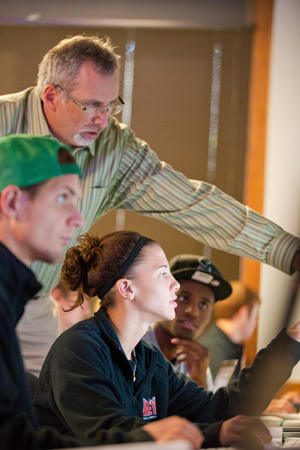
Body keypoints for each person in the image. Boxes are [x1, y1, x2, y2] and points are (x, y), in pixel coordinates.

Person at [0, 35, 300, 374]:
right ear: (51, 95)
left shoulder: (115, 148)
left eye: (110, 105)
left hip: (33, 309)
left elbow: (193, 204)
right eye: (91, 105)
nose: (102, 120)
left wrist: (289, 251)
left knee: (34, 414)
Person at [0, 135, 200, 449]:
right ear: (12, 202)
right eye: (63, 198)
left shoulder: (11, 297)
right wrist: (144, 438)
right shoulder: (77, 344)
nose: (78, 219)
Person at [34, 231, 300, 449]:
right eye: (163, 273)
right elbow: (107, 435)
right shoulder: (79, 348)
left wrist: (292, 340)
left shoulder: (148, 359)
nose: (175, 285)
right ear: (127, 288)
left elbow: (221, 409)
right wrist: (213, 434)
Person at [143, 254, 232, 389]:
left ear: (209, 317)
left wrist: (200, 379)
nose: (193, 312)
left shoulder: (195, 361)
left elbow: (205, 410)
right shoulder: (134, 345)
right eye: (184, 299)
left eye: (203, 305)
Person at [199, 281, 260, 382]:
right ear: (244, 313)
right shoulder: (214, 349)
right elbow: (226, 396)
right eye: (255, 316)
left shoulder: (223, 345)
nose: (255, 323)